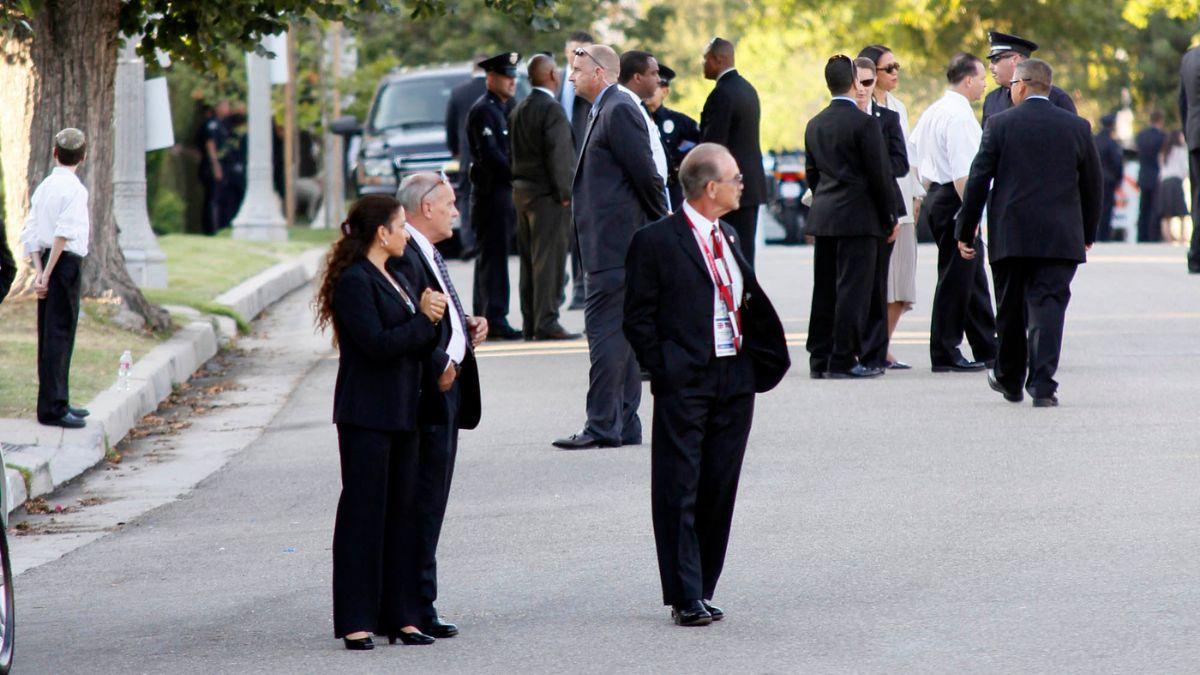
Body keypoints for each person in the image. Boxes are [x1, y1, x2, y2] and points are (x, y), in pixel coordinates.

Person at [624, 143, 790, 627]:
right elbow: (637, 317)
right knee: (680, 486)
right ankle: (683, 593)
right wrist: (668, 367)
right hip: (686, 379)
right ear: (710, 187)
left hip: (734, 376)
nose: (745, 184)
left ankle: (704, 585)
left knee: (719, 484)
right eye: (737, 178)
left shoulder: (730, 235)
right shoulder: (656, 241)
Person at [315, 194, 448, 650]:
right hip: (367, 415)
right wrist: (423, 321)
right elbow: (375, 344)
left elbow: (413, 339)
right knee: (364, 514)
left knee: (402, 514)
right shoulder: (355, 283)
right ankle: (356, 618)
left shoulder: (395, 277)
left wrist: (437, 325)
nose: (405, 234)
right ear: (381, 233)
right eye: (399, 225)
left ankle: (402, 615)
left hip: (403, 412)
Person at [955, 58, 1102, 408]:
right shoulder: (1077, 127)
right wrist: (1088, 230)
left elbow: (978, 179)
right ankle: (1043, 384)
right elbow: (1093, 185)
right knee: (1049, 307)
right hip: (1059, 237)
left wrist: (966, 228)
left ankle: (1009, 379)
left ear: (1020, 85)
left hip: (1012, 236)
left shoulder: (1000, 125)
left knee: (1010, 309)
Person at [552, 44, 668, 450]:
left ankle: (602, 425)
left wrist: (665, 228)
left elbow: (647, 176)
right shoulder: (604, 107)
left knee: (604, 334)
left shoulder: (618, 109)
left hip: (617, 248)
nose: (570, 77)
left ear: (600, 73)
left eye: (577, 69)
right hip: (610, 247)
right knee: (622, 335)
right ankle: (624, 422)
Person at [391, 173, 489, 640]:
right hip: (428, 396)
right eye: (449, 203)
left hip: (447, 393)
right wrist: (438, 366)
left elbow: (434, 312)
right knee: (421, 504)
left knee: (431, 504)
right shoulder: (405, 253)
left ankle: (421, 603)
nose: (457, 212)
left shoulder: (426, 250)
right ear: (425, 207)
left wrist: (463, 326)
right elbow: (403, 318)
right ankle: (413, 608)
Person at [804, 55, 897, 380]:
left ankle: (820, 356)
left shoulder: (814, 123)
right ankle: (843, 358)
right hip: (859, 217)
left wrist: (826, 198)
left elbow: (812, 175)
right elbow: (879, 174)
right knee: (853, 290)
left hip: (826, 215)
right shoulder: (865, 123)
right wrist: (890, 216)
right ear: (854, 83)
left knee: (825, 288)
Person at [910, 52, 998, 373]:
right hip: (956, 199)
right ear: (969, 80)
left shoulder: (935, 110)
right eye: (981, 80)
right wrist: (971, 219)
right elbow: (965, 175)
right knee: (955, 279)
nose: (984, 86)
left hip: (938, 195)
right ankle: (945, 352)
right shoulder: (959, 117)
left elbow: (913, 153)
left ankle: (988, 346)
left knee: (971, 278)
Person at [20, 129, 91, 429]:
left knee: (51, 334)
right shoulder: (75, 189)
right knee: (61, 334)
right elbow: (64, 233)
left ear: (54, 153)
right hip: (63, 264)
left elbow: (32, 231)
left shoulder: (46, 186)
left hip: (47, 261)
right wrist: (48, 275)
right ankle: (54, 408)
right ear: (83, 157)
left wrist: (39, 271)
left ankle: (56, 399)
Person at [859, 45, 923, 370]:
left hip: (902, 196)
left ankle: (882, 343)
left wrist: (916, 196)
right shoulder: (861, 107)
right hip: (874, 203)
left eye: (897, 66)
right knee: (876, 280)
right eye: (889, 68)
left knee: (902, 283)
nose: (895, 72)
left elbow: (908, 157)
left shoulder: (898, 107)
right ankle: (871, 347)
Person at [509, 54, 581, 340]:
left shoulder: (519, 109)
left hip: (522, 192)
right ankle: (547, 322)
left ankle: (531, 322)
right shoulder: (551, 109)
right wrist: (566, 193)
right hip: (548, 196)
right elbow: (559, 156)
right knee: (549, 262)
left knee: (529, 262)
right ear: (552, 75)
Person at [853, 56, 910, 372]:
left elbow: (900, 164)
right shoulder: (840, 117)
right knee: (850, 284)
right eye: (857, 83)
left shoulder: (886, 118)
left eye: (867, 83)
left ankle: (874, 352)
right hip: (849, 210)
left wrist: (874, 169)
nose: (862, 90)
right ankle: (849, 347)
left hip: (882, 206)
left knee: (877, 283)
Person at [466, 52, 523, 340]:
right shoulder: (484, 110)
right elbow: (492, 157)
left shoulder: (506, 106)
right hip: (491, 193)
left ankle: (489, 314)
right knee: (493, 257)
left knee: (495, 256)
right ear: (490, 78)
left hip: (504, 192)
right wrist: (521, 172)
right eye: (506, 76)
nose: (512, 81)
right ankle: (494, 317)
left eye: (514, 76)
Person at [700, 37, 767, 264]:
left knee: (729, 258)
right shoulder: (747, 89)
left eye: (705, 59)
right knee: (744, 256)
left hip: (729, 189)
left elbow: (713, 145)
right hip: (749, 186)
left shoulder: (722, 93)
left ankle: (737, 301)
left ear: (718, 60)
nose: (703, 64)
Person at [560, 30, 594, 309]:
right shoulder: (553, 81)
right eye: (574, 51)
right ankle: (569, 290)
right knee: (565, 235)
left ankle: (583, 289)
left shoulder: (592, 85)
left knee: (583, 230)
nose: (577, 57)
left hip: (585, 168)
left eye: (583, 52)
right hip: (559, 170)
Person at [981, 31, 1076, 128]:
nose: (990, 66)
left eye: (995, 59)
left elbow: (1072, 136)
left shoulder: (1057, 98)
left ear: (1015, 59)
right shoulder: (991, 99)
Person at [445, 53, 489, 258]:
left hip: (467, 155)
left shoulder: (458, 93)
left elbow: (451, 126)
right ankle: (489, 241)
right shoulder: (495, 91)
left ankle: (468, 242)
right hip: (492, 155)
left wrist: (455, 150)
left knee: (466, 198)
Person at [618, 50, 671, 208]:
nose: (658, 79)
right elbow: (639, 164)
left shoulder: (636, 104)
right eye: (654, 73)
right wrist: (658, 205)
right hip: (639, 203)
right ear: (637, 77)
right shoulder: (623, 107)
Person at [644, 64, 701, 210]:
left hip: (673, 189)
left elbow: (701, 143)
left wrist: (680, 161)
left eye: (655, 87)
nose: (649, 93)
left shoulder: (678, 121)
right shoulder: (635, 118)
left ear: (665, 91)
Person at [197, 100, 231, 236]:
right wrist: (215, 166)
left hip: (220, 167)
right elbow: (210, 145)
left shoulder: (222, 124)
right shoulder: (212, 124)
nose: (227, 108)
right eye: (225, 105)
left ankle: (220, 227)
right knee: (212, 199)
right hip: (210, 168)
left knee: (219, 198)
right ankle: (211, 229)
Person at [1182, 44, 1200, 272]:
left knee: (1198, 196)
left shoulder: (1189, 58)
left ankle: (1196, 253)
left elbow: (1182, 102)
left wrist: (1188, 133)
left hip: (1195, 133)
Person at [1134, 111, 1166, 243]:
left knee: (1143, 207)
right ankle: (1153, 235)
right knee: (1155, 207)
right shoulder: (1162, 137)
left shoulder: (1140, 136)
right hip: (1156, 174)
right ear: (1160, 121)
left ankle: (1142, 235)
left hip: (1143, 174)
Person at [1094, 113, 1124, 242]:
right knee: (1107, 208)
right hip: (1108, 179)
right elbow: (1117, 162)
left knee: (1095, 206)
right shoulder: (1112, 143)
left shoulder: (1094, 139)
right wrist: (1118, 178)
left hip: (1094, 178)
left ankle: (1095, 234)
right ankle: (1104, 235)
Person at [1159, 130, 1190, 243]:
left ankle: (1168, 237)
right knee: (1181, 211)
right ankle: (1182, 236)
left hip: (1165, 182)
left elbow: (1162, 169)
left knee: (1167, 212)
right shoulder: (1180, 150)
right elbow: (1184, 168)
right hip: (1176, 181)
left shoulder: (1165, 152)